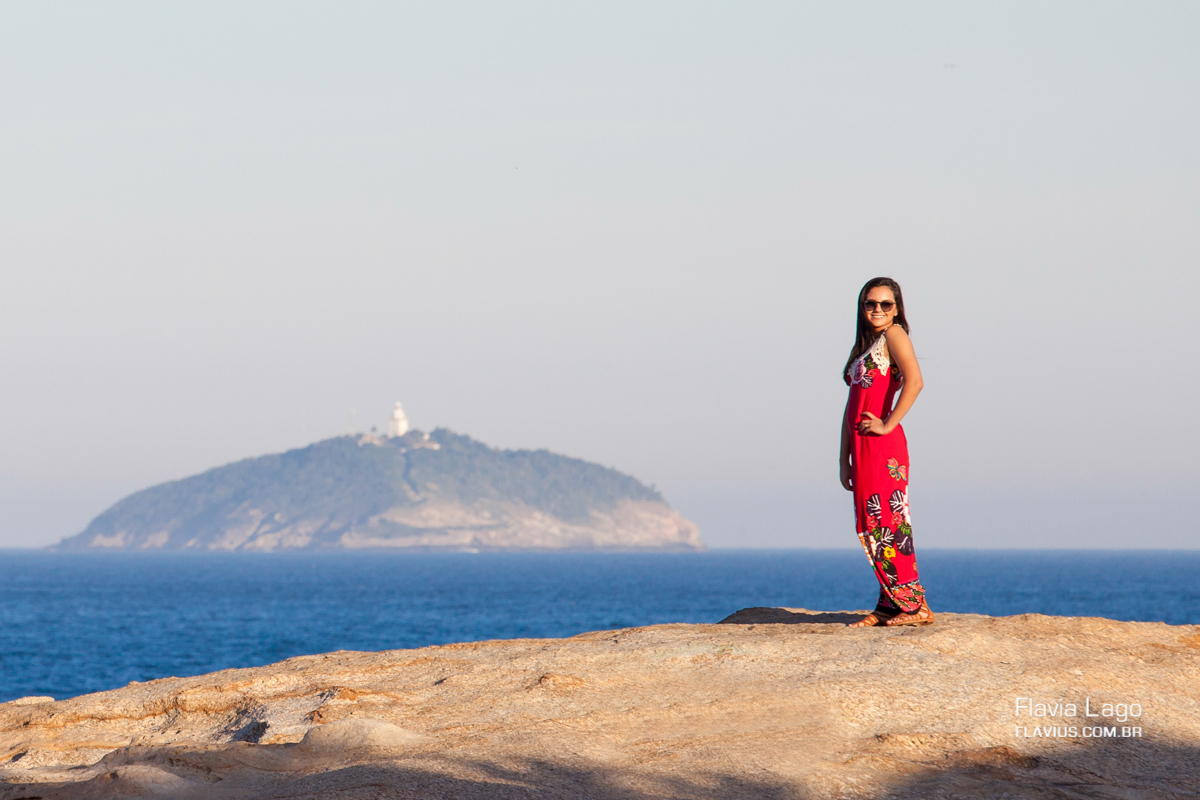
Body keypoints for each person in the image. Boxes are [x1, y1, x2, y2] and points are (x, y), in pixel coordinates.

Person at [840, 277, 934, 627]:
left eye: (885, 304)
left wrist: (887, 423)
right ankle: (891, 603)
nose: (877, 310)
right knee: (872, 524)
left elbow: (916, 381)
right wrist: (843, 459)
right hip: (862, 447)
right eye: (870, 304)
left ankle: (914, 606)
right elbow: (851, 407)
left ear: (897, 308)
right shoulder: (868, 346)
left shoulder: (894, 335)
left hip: (883, 447)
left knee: (887, 523)